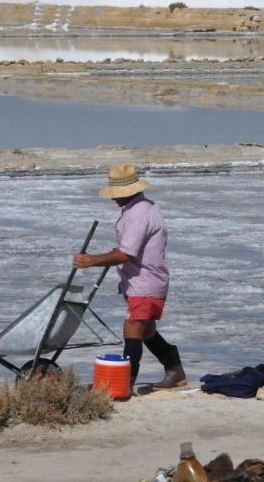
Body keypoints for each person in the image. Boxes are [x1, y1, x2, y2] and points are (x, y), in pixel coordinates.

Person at [73, 163, 186, 390]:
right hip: (145, 281)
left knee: (133, 328)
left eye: (117, 195)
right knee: (147, 331)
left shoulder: (138, 214)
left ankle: (124, 382)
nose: (114, 199)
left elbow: (125, 254)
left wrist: (91, 260)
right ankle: (175, 371)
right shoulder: (144, 207)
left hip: (145, 282)